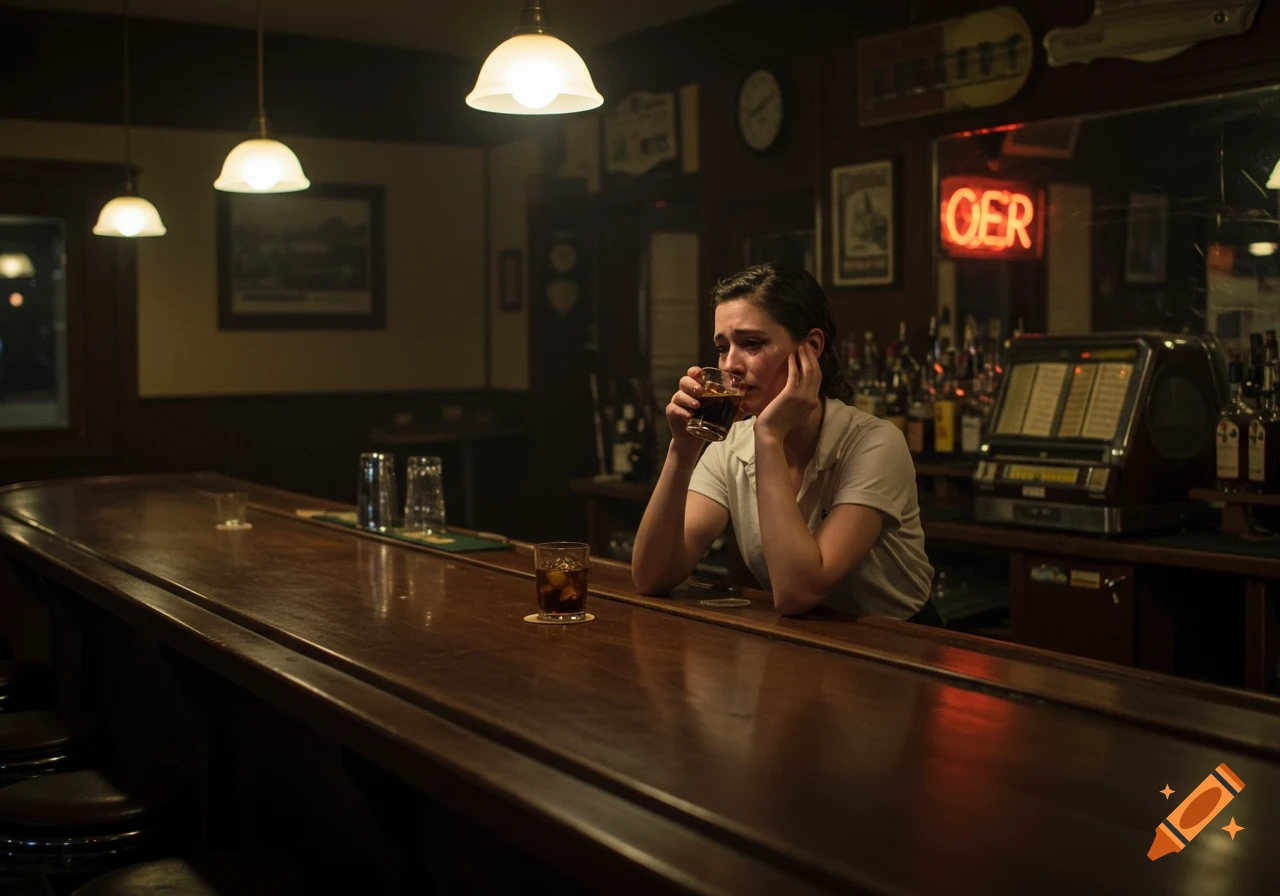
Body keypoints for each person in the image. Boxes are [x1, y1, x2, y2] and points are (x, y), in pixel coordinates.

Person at [631, 262, 935, 620]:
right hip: (802, 643)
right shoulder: (732, 445)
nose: (730, 365)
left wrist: (770, 436)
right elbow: (652, 577)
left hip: (900, 644)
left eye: (752, 344)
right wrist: (682, 449)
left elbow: (798, 593)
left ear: (811, 347)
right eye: (722, 347)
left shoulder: (875, 443)